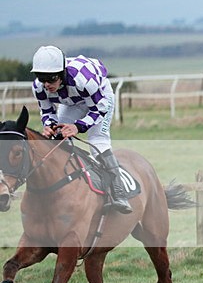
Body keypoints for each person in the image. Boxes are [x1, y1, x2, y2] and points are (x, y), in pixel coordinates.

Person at [30, 45, 133, 213]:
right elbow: (47, 111)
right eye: (42, 79)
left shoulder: (84, 80)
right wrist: (49, 126)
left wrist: (78, 127)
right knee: (56, 139)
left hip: (100, 100)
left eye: (51, 79)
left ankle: (119, 192)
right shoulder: (38, 87)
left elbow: (98, 110)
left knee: (97, 142)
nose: (47, 84)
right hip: (72, 102)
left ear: (62, 73)